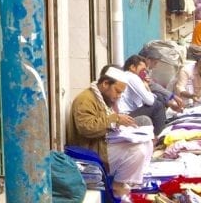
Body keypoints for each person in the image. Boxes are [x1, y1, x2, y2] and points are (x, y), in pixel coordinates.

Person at [66, 65, 154, 199]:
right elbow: (86, 128)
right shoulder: (85, 100)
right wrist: (115, 119)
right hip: (91, 151)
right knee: (137, 151)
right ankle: (118, 186)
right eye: (117, 91)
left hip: (102, 144)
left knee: (147, 143)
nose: (118, 96)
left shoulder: (101, 98)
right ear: (105, 84)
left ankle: (130, 182)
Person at [117, 54, 171, 134]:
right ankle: (159, 136)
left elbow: (146, 101)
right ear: (132, 67)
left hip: (128, 113)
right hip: (125, 115)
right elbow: (150, 101)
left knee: (158, 97)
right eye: (143, 70)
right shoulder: (132, 76)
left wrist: (146, 86)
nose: (144, 73)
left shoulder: (127, 76)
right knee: (157, 105)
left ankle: (160, 129)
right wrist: (145, 85)